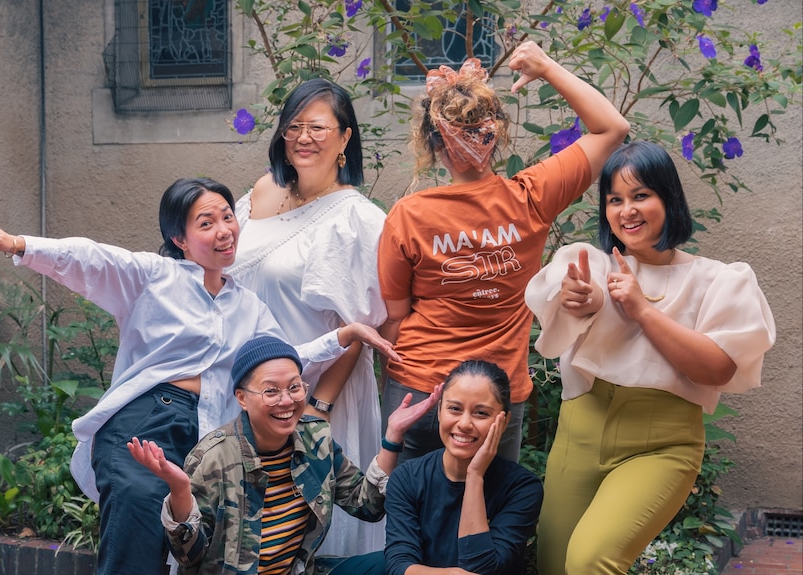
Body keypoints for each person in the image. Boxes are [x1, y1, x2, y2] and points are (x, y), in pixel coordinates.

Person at [0, 180, 399, 575]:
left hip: (206, 434)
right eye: (206, 222)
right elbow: (93, 258)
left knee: (189, 542)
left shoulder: (249, 307)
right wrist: (20, 244)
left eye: (228, 216)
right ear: (179, 238)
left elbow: (281, 360)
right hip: (144, 423)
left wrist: (342, 335)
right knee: (136, 533)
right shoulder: (155, 277)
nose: (224, 229)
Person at [524, 141, 776, 574]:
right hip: (579, 433)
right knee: (553, 564)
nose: (627, 211)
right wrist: (578, 300)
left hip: (662, 445)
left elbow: (717, 368)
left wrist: (642, 310)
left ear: (668, 198)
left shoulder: (715, 280)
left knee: (590, 561)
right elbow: (577, 303)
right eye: (615, 200)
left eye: (641, 195)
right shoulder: (591, 265)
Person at [377, 43, 631, 464]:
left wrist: (390, 384)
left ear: (434, 142)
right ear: (495, 135)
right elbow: (612, 128)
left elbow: (395, 318)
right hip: (496, 394)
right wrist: (546, 64)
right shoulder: (532, 196)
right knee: (490, 518)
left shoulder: (408, 216)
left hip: (420, 388)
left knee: (410, 518)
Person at [128, 335, 442, 575]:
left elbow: (368, 504)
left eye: (294, 387)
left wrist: (392, 438)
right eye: (271, 390)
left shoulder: (315, 435)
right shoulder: (213, 457)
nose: (286, 401)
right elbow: (189, 557)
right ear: (242, 398)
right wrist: (180, 491)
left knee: (401, 566)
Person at [230, 78, 388, 554]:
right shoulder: (262, 191)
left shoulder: (358, 219)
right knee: (249, 536)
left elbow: (362, 328)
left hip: (317, 398)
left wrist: (318, 407)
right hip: (253, 391)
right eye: (294, 125)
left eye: (317, 127)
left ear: (344, 138)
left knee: (307, 529)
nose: (303, 137)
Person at [384, 359, 543, 575]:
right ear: (439, 411)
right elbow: (399, 565)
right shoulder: (408, 478)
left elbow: (482, 567)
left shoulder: (522, 488)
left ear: (504, 422)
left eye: (481, 413)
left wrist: (475, 476)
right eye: (455, 409)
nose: (465, 424)